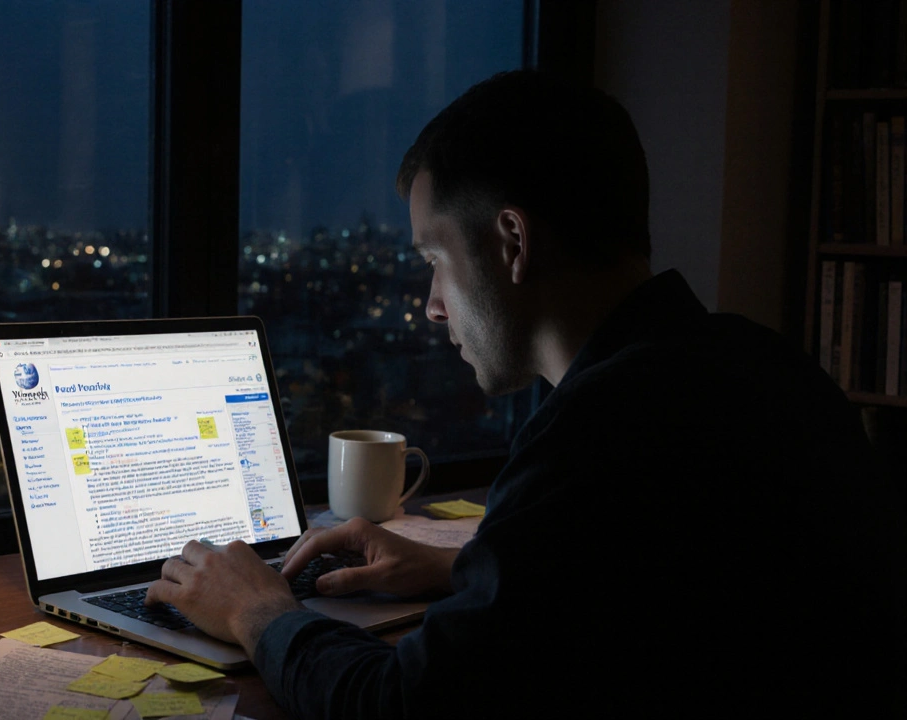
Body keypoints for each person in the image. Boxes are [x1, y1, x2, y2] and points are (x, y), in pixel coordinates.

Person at [145, 70, 906, 717]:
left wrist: (258, 609)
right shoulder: (752, 362)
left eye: (437, 259)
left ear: (512, 242)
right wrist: (468, 566)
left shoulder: (601, 433)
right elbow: (659, 577)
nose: (432, 304)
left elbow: (399, 707)